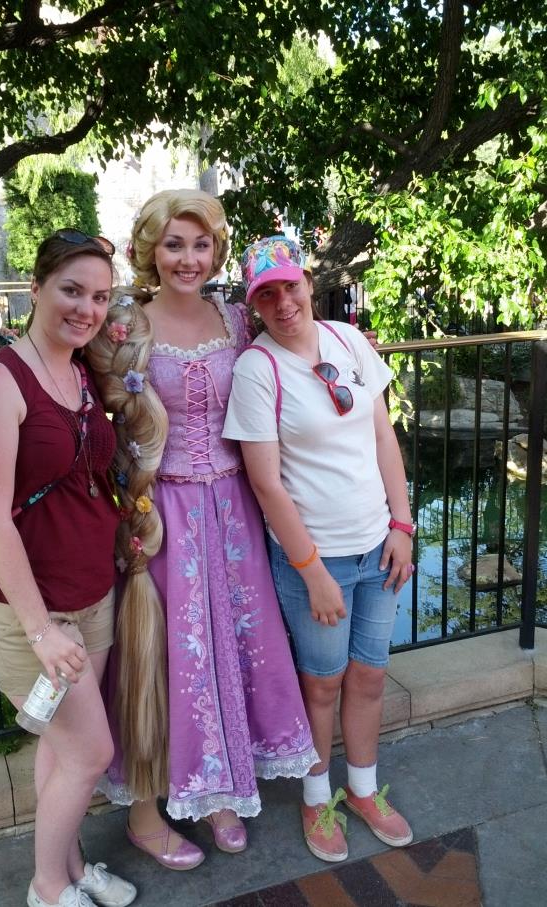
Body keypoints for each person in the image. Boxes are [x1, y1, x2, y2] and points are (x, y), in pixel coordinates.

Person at [88, 190, 318, 870]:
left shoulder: (235, 317)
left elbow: (286, 371)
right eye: (174, 244)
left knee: (233, 642)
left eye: (200, 244)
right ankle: (148, 805)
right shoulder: (126, 323)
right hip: (161, 512)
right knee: (166, 653)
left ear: (216, 250)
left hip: (236, 508)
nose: (188, 258)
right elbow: (100, 412)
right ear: (151, 250)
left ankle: (222, 788)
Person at [0, 231, 137, 907]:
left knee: (63, 750)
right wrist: (40, 631)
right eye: (71, 290)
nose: (86, 308)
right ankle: (47, 887)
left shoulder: (83, 373)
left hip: (92, 595)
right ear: (34, 288)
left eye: (98, 295)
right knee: (89, 752)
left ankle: (71, 863)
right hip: (33, 615)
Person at [223, 235, 415, 864]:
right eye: (267, 294)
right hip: (318, 561)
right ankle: (315, 796)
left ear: (307, 282)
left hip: (377, 546)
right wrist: (311, 572)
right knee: (323, 685)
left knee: (370, 675)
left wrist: (403, 525)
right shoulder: (258, 369)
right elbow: (265, 482)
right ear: (255, 304)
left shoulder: (346, 340)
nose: (284, 303)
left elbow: (383, 434)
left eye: (290, 286)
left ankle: (361, 788)